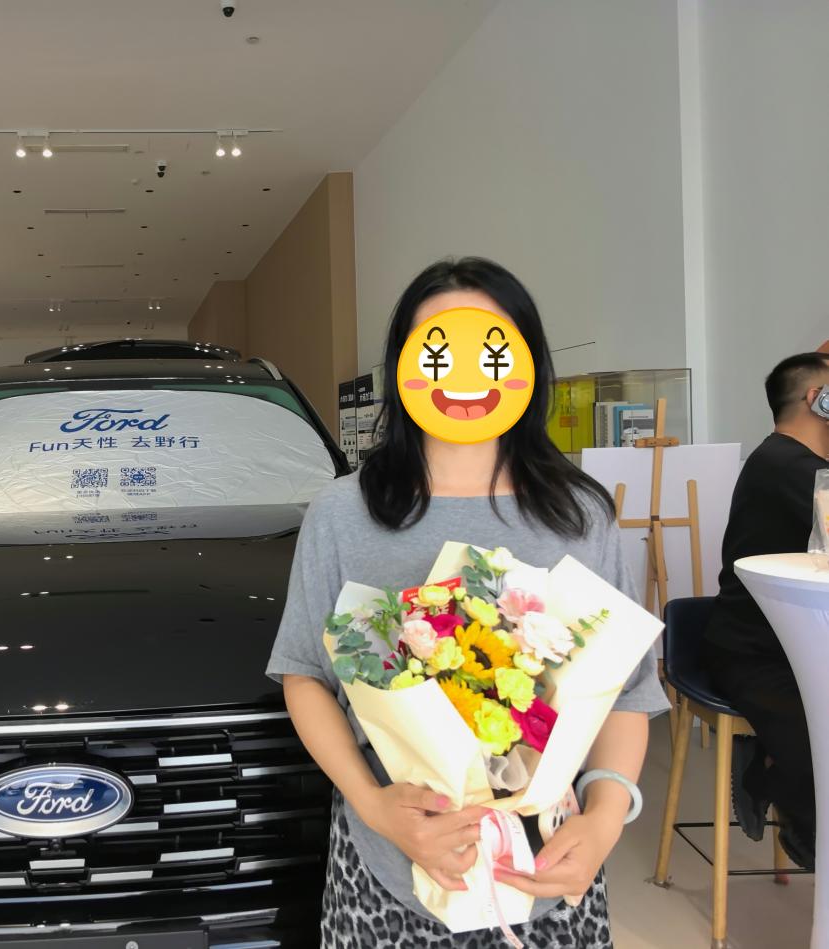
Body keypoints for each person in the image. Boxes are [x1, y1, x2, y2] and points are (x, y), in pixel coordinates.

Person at [267, 257, 668, 948]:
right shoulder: (341, 513)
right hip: (386, 867)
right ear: (402, 368)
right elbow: (305, 673)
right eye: (437, 354)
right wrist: (374, 805)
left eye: (490, 353)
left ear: (528, 365)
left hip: (546, 865)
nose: (462, 376)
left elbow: (626, 692)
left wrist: (605, 816)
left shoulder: (580, 515)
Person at [705, 351, 829, 869]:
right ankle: (790, 804)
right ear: (818, 399)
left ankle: (771, 773)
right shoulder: (793, 467)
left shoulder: (789, 461)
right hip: (758, 651)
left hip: (790, 644)